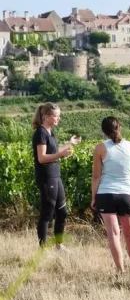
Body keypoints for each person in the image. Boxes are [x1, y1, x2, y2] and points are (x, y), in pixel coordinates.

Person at [90, 116, 130, 273]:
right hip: (127, 194)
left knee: (113, 233)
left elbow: (96, 176)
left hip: (106, 194)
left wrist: (93, 197)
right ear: (120, 127)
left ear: (103, 131)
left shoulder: (100, 148)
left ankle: (120, 270)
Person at [31, 103, 80, 250]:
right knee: (47, 212)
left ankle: (59, 245)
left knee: (62, 211)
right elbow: (42, 157)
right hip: (46, 177)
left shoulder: (50, 132)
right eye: (56, 115)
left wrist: (69, 144)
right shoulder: (40, 133)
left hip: (55, 175)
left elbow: (53, 150)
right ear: (46, 116)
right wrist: (60, 155)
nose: (59, 118)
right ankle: (43, 248)